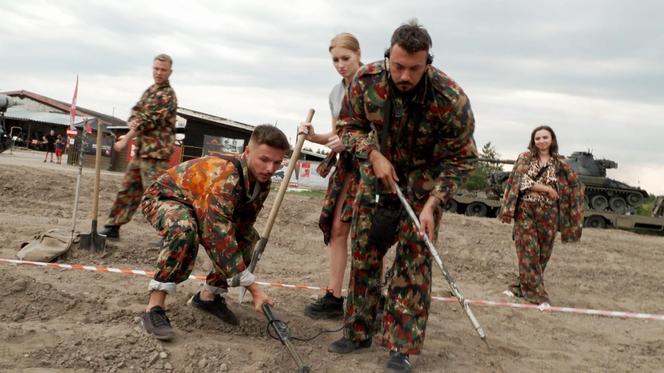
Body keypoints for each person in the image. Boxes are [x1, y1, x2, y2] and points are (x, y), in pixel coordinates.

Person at [327, 20, 477, 373]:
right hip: (377, 180)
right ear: (387, 57)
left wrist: (433, 203)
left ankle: (401, 347)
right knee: (364, 255)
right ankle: (358, 331)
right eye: (398, 66)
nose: (405, 75)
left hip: (424, 187)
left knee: (413, 266)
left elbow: (464, 158)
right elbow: (348, 127)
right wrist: (373, 153)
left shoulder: (450, 98)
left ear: (428, 63)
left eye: (414, 68)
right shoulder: (366, 81)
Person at [139, 124, 290, 341]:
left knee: (246, 238)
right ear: (248, 152)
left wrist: (241, 252)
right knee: (184, 230)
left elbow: (242, 225)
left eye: (277, 162)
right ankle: (154, 308)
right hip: (167, 197)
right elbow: (217, 234)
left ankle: (208, 297)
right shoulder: (227, 175)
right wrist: (254, 289)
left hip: (199, 205)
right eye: (264, 159)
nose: (270, 168)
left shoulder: (261, 182)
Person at [298, 32, 364, 320]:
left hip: (371, 167)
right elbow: (335, 136)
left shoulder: (374, 86)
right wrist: (314, 136)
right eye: (335, 60)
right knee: (337, 229)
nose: (340, 65)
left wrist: (348, 142)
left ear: (358, 54)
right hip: (347, 168)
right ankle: (334, 297)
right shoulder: (335, 93)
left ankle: (367, 299)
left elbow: (383, 134)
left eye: (345, 58)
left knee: (367, 237)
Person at [498, 125, 584, 306]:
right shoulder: (525, 158)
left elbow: (574, 185)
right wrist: (546, 188)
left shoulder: (560, 163)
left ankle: (519, 287)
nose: (541, 141)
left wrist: (568, 201)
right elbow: (519, 181)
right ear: (533, 141)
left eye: (545, 137)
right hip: (526, 210)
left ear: (552, 139)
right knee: (528, 251)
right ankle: (537, 295)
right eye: (538, 138)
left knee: (543, 254)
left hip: (549, 213)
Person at [100, 53, 178, 239]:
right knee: (128, 189)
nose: (158, 73)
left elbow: (148, 120)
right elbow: (137, 112)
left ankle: (171, 235)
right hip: (142, 151)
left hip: (156, 155)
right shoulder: (150, 91)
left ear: (170, 72)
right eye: (156, 68)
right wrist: (133, 120)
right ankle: (113, 227)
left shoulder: (167, 95)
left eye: (163, 70)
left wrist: (126, 138)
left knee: (157, 196)